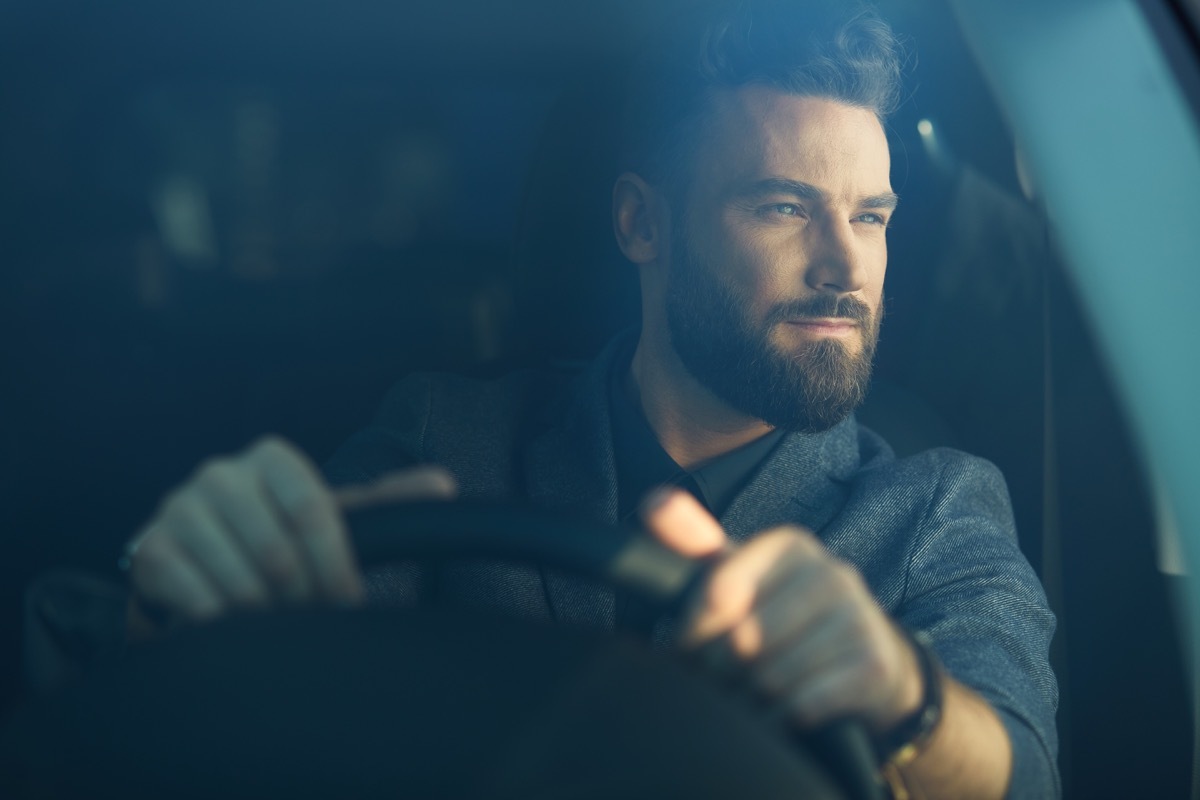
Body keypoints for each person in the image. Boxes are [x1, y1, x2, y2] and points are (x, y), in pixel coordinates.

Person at [122, 2, 1057, 797]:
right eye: (782, 207)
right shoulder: (447, 437)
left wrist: (903, 693)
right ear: (641, 222)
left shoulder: (937, 504)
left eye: (870, 217)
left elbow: (1018, 768)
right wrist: (188, 604)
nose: (846, 264)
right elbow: (264, 685)